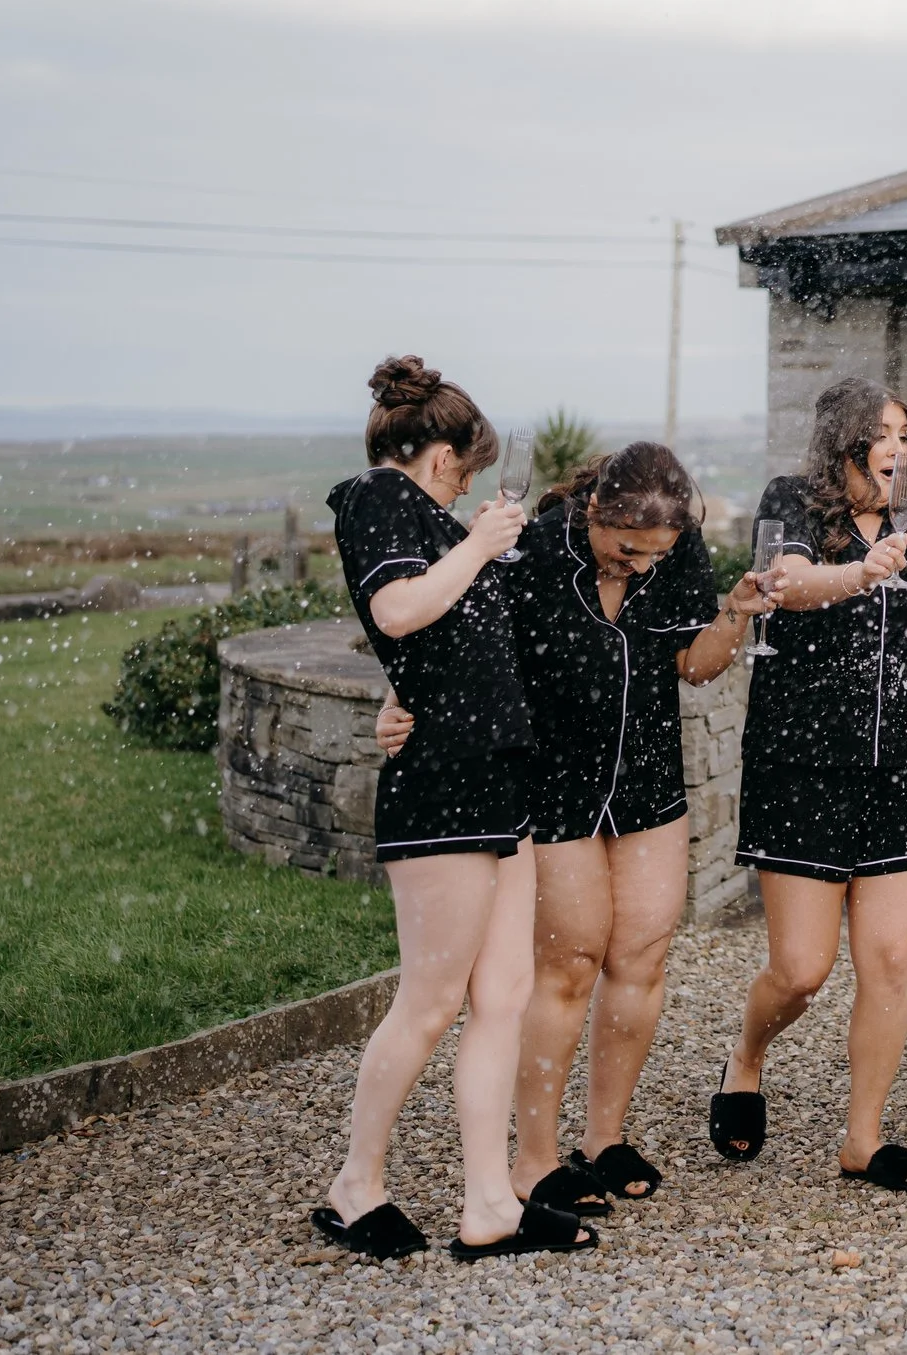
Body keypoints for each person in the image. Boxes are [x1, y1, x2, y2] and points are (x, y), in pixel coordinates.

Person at [374, 443, 775, 1221]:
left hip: (649, 782)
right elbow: (453, 639)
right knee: (570, 962)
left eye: (653, 554)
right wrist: (398, 703)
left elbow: (694, 663)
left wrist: (736, 611)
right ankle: (534, 1158)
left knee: (642, 956)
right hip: (553, 786)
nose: (637, 565)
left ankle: (604, 1137)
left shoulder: (677, 551)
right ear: (594, 510)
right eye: (626, 548)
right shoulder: (528, 549)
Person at [315, 355, 594, 1262]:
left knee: (503, 993)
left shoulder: (435, 522)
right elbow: (396, 610)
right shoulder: (375, 498)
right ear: (440, 455)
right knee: (431, 1000)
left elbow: (450, 647)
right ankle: (356, 1183)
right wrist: (479, 541)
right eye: (466, 468)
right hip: (440, 786)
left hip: (495, 780)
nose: (466, 485)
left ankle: (489, 1205)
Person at [712, 378, 907, 1196]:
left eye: (906, 435)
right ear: (845, 444)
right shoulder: (795, 503)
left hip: (896, 772)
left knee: (887, 961)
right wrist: (860, 571)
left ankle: (864, 1138)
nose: (898, 449)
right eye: (884, 435)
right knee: (802, 970)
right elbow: (788, 584)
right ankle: (746, 1057)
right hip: (802, 768)